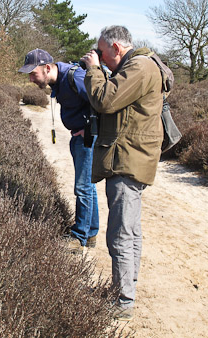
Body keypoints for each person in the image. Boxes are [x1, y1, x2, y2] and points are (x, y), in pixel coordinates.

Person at [80, 26, 164, 321]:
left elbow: (105, 100)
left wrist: (93, 70)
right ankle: (125, 289)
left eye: (102, 52)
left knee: (120, 234)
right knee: (130, 231)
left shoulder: (139, 67)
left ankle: (123, 300)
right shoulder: (138, 65)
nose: (99, 57)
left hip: (128, 160)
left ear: (116, 48)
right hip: (130, 158)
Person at [19, 48, 99, 254]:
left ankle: (79, 237)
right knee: (88, 186)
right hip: (79, 137)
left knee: (82, 187)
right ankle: (90, 233)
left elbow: (101, 102)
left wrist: (89, 130)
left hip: (87, 138)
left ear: (47, 68)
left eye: (33, 73)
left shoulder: (76, 76)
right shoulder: (59, 80)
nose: (30, 79)